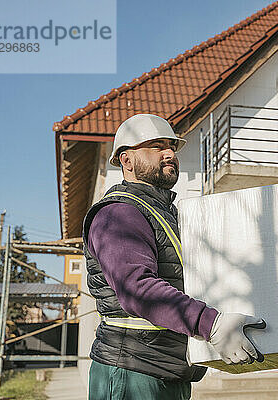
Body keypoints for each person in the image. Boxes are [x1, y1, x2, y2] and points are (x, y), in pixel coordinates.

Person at [82, 114, 266, 400]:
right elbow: (137, 290)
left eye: (171, 146)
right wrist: (212, 324)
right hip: (132, 372)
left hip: (169, 370)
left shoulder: (167, 214)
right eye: (156, 146)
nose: (170, 153)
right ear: (126, 160)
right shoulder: (118, 214)